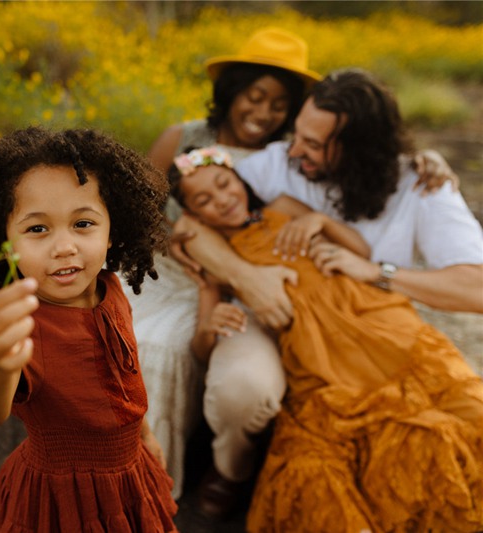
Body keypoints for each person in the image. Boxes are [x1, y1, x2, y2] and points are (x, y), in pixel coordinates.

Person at [173, 68, 483, 518]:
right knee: (311, 436)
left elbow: (475, 288)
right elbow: (185, 222)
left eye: (314, 144)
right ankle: (231, 470)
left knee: (462, 418)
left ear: (359, 148)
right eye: (297, 133)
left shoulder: (418, 184)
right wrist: (244, 276)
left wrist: (374, 269)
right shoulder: (272, 165)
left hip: (369, 320)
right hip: (291, 329)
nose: (295, 150)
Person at [0, 127, 178, 532]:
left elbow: (126, 379)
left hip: (131, 472)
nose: (64, 246)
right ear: (3, 243)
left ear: (113, 227)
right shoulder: (22, 324)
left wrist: (144, 437)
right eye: (37, 229)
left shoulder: (110, 289)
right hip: (63, 501)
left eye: (83, 223)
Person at [124, 26, 322, 503]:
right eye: (255, 96)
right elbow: (136, 212)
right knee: (106, 332)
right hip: (162, 269)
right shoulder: (183, 136)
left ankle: (150, 485)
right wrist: (180, 243)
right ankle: (91, 465)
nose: (264, 113)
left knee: (163, 350)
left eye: (279, 105)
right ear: (232, 90)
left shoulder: (284, 159)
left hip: (227, 285)